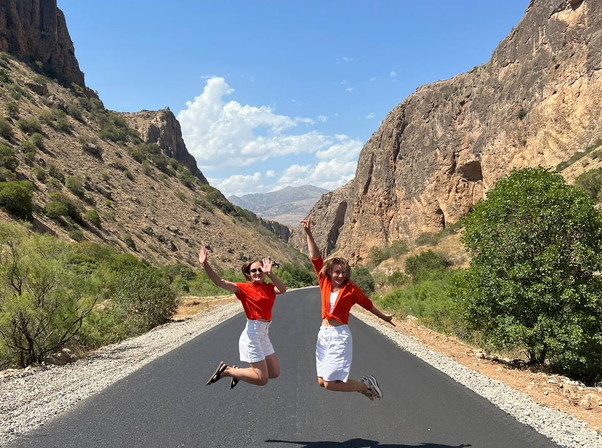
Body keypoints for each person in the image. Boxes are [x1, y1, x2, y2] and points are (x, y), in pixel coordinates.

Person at [301, 217, 395, 400]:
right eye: (337, 272)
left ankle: (366, 384)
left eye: (343, 272)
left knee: (330, 383)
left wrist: (384, 317)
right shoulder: (324, 281)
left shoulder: (351, 289)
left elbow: (368, 305)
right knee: (321, 382)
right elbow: (315, 257)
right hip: (324, 334)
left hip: (339, 336)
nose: (340, 275)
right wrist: (309, 233)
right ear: (329, 272)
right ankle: (364, 388)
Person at [199, 246, 287, 389]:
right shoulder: (244, 288)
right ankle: (227, 371)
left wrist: (270, 273)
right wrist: (205, 264)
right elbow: (220, 282)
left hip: (264, 334)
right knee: (261, 379)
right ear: (248, 274)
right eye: (253, 271)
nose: (257, 273)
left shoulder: (269, 287)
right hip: (252, 335)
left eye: (260, 270)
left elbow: (282, 289)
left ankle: (238, 373)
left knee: (274, 372)